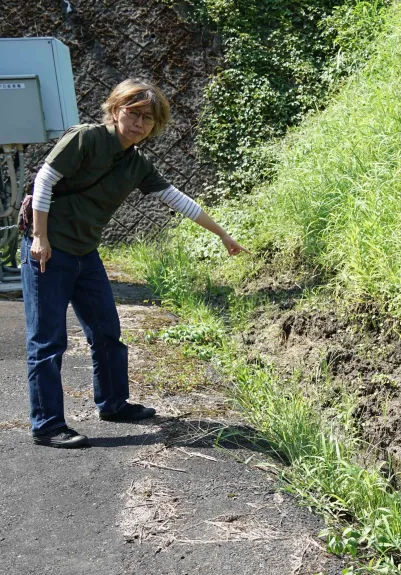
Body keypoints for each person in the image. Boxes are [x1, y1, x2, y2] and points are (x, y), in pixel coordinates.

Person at [23, 79, 248, 449]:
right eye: (134, 113)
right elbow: (45, 179)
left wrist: (222, 235)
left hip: (85, 253)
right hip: (48, 250)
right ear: (116, 109)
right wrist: (39, 236)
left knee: (107, 331)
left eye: (149, 119)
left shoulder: (137, 163)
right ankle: (47, 425)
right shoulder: (87, 138)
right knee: (47, 340)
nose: (140, 123)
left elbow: (178, 200)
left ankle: (113, 404)